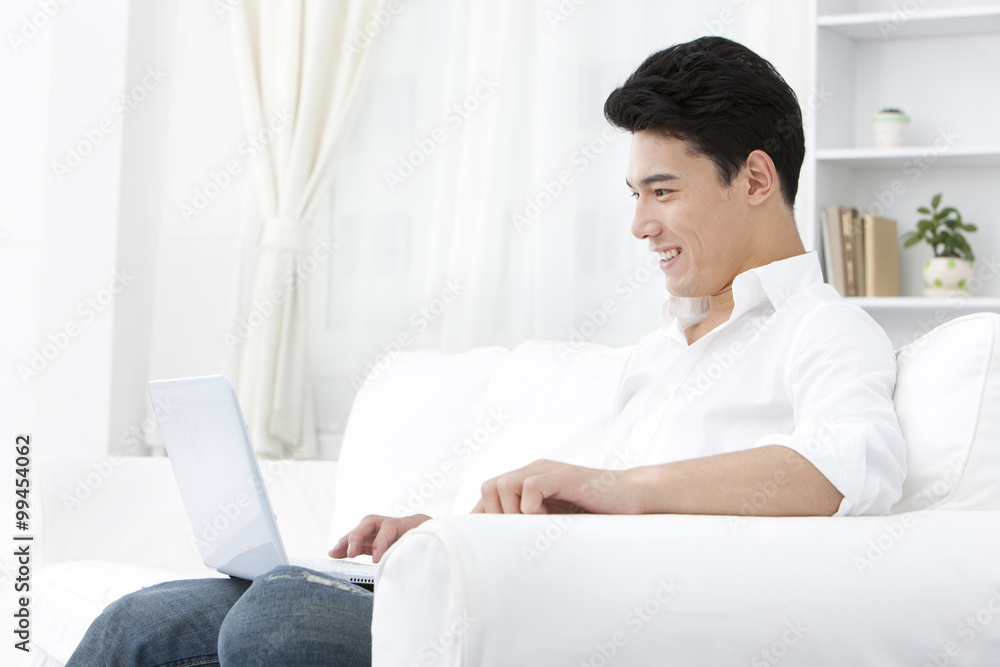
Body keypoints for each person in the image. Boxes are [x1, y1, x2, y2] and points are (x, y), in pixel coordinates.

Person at [67, 35, 905, 667]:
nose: (640, 224)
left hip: (569, 622)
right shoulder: (658, 355)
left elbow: (850, 463)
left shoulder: (822, 328)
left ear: (756, 179)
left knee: (280, 615)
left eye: (663, 190)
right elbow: (566, 516)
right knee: (139, 621)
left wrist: (616, 488)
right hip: (504, 577)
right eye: (634, 194)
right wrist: (444, 534)